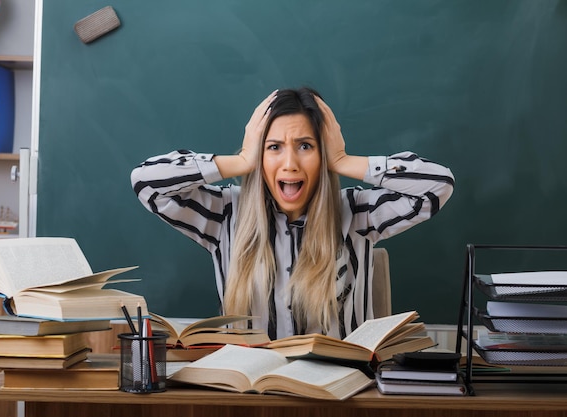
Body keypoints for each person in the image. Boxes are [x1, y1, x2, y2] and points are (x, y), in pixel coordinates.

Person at [131, 87, 454, 340]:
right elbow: (146, 183)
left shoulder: (358, 213)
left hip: (338, 396)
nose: (290, 164)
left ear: (322, 154)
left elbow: (437, 186)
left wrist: (342, 159)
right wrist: (242, 160)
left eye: (305, 146)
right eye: (274, 147)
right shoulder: (225, 214)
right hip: (253, 397)